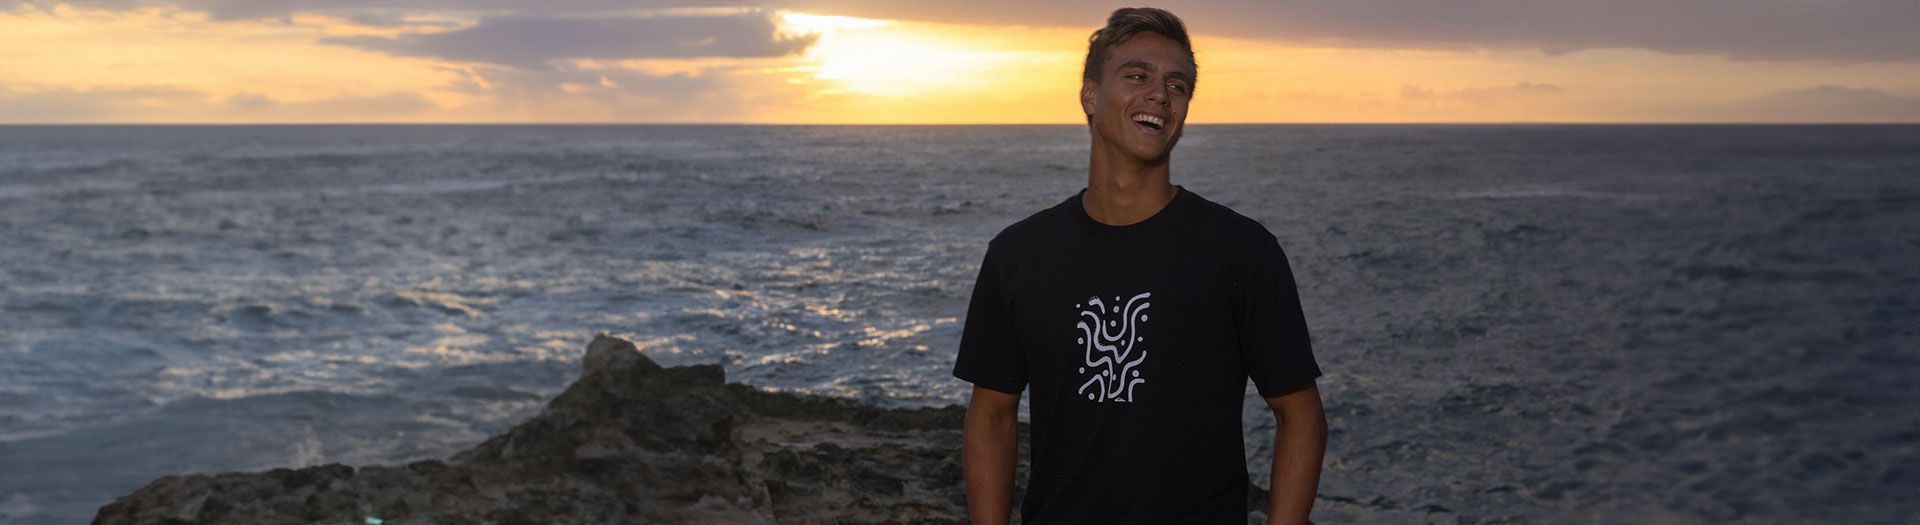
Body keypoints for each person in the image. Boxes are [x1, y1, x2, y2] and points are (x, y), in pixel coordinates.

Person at [952, 7, 1327, 525]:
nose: (1160, 95)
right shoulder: (1019, 254)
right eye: (1137, 76)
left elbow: (1300, 416)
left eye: (1177, 85)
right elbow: (992, 416)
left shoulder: (1241, 251)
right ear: (1090, 95)